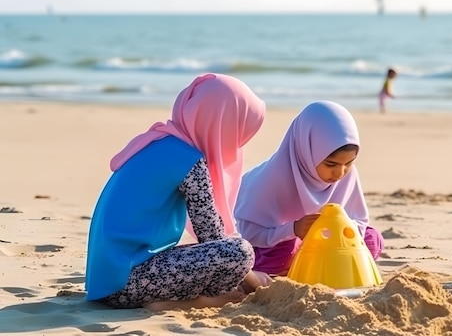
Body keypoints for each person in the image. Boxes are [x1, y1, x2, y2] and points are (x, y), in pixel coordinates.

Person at [85, 73, 272, 311]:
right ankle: (193, 303)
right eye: (236, 133)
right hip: (125, 284)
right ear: (220, 123)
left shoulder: (160, 143)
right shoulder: (188, 159)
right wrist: (254, 279)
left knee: (226, 252)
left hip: (107, 279)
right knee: (240, 252)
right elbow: (211, 235)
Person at [234, 100, 385, 276]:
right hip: (280, 243)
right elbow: (251, 234)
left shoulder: (348, 175)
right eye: (331, 164)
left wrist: (338, 227)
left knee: (372, 239)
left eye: (349, 163)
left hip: (329, 243)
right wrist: (293, 229)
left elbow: (359, 221)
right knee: (284, 252)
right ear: (307, 151)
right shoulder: (270, 179)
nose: (340, 172)